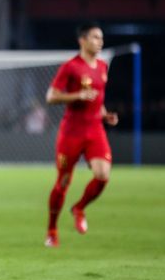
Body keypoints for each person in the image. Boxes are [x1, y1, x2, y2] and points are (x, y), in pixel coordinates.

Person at [44, 23, 118, 247]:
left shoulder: (103, 66)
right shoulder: (71, 67)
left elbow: (97, 99)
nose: (100, 41)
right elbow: (51, 96)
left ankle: (79, 208)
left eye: (101, 38)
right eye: (95, 37)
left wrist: (105, 115)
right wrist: (77, 96)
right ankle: (52, 230)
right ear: (83, 40)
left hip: (94, 129)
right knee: (63, 182)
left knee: (103, 173)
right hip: (72, 132)